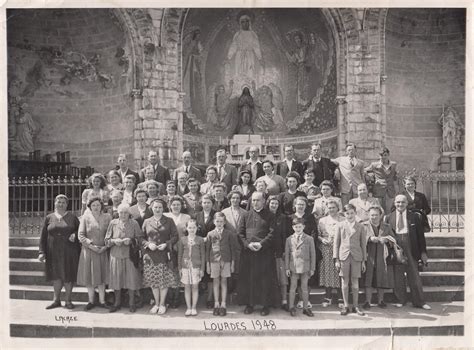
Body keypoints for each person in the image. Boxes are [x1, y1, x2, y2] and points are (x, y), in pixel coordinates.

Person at [237, 192, 280, 316]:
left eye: (258, 200)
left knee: (264, 280)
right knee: (249, 279)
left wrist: (261, 244)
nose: (255, 203)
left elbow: (272, 233)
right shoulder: (245, 215)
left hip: (264, 253)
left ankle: (265, 305)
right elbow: (240, 233)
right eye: (253, 200)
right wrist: (247, 245)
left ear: (263, 201)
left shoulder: (270, 216)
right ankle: (249, 304)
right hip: (248, 253)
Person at [385, 195, 431, 310]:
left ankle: (419, 301)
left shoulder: (414, 216)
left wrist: (423, 252)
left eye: (403, 202)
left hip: (411, 245)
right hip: (396, 246)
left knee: (414, 274)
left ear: (407, 204)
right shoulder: (388, 217)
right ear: (394, 203)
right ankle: (401, 299)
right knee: (398, 275)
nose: (400, 204)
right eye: (398, 202)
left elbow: (421, 236)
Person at [38, 194, 81, 309]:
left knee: (68, 275)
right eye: (59, 202)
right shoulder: (49, 217)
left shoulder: (72, 217)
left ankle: (68, 300)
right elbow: (43, 236)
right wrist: (41, 252)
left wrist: (75, 234)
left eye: (63, 202)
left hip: (69, 251)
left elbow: (81, 232)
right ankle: (56, 300)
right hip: (53, 251)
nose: (61, 204)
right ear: (55, 203)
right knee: (56, 276)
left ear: (67, 204)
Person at [142, 199, 179, 315]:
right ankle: (156, 303)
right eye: (155, 207)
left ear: (163, 209)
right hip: (151, 256)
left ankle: (162, 304)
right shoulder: (147, 221)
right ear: (151, 209)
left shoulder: (169, 220)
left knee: (163, 281)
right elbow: (140, 238)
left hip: (164, 255)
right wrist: (148, 244)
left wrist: (166, 244)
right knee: (153, 281)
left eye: (160, 207)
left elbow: (175, 236)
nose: (157, 209)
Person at [105, 203, 143, 313]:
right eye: (121, 212)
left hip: (130, 255)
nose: (123, 215)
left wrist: (131, 241)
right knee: (116, 279)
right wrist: (113, 241)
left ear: (129, 213)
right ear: (118, 213)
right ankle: (117, 303)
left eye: (125, 212)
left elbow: (140, 239)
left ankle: (131, 303)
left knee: (131, 279)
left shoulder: (134, 223)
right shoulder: (113, 223)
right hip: (116, 255)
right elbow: (106, 240)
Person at [77, 197, 112, 310]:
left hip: (103, 250)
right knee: (90, 276)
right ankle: (91, 301)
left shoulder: (107, 217)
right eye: (93, 205)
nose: (96, 207)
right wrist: (91, 246)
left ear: (101, 206)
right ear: (90, 207)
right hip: (89, 251)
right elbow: (81, 235)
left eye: (98, 205)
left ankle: (102, 301)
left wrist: (105, 247)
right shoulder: (85, 218)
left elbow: (111, 233)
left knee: (102, 276)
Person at [333, 203, 367, 316]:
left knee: (355, 281)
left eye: (352, 213)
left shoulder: (361, 226)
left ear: (355, 213)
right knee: (345, 281)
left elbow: (363, 244)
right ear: (344, 214)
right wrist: (336, 259)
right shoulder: (340, 225)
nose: (350, 215)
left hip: (357, 256)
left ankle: (356, 306)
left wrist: (363, 261)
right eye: (347, 213)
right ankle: (346, 305)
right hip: (344, 256)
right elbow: (336, 243)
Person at [362, 206, 395, 309]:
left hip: (381, 256)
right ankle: (368, 301)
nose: (374, 217)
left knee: (381, 277)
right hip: (368, 255)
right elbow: (358, 239)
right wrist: (369, 238)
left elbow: (393, 239)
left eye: (376, 215)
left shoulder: (386, 226)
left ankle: (381, 300)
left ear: (381, 216)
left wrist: (387, 240)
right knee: (368, 278)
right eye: (372, 215)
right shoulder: (363, 226)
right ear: (368, 215)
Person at [206, 212, 238, 316]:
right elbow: (208, 250)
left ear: (224, 222)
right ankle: (216, 304)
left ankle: (223, 305)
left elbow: (233, 250)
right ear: (214, 222)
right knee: (215, 281)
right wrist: (207, 264)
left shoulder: (229, 234)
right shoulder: (210, 234)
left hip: (226, 260)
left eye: (221, 221)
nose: (219, 223)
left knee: (224, 281)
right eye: (217, 221)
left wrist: (232, 263)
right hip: (214, 260)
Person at [285, 217, 316, 317]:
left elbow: (313, 254)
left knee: (304, 288)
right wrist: (287, 268)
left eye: (300, 227)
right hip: (293, 266)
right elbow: (287, 254)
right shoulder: (289, 239)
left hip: (305, 266)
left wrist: (312, 268)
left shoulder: (309, 239)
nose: (298, 229)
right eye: (296, 227)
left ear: (304, 227)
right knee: (293, 287)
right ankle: (291, 307)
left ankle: (305, 308)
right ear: (293, 227)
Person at [317, 199, 344, 307]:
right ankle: (327, 297)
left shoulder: (343, 219)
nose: (331, 209)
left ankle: (341, 297)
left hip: (340, 248)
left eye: (333, 207)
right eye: (329, 207)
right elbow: (318, 234)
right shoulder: (322, 220)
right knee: (327, 272)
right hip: (326, 248)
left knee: (339, 271)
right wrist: (322, 239)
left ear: (338, 208)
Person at [266, 195, 291, 311]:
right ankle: (270, 300)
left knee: (282, 278)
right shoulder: (264, 216)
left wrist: (285, 250)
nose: (274, 205)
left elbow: (285, 235)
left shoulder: (283, 218)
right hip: (266, 251)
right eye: (272, 203)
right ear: (268, 204)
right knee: (270, 277)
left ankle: (284, 301)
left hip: (279, 251)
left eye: (276, 203)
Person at [178, 219, 206, 316]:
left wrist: (202, 269)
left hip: (196, 267)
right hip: (185, 267)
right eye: (190, 227)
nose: (192, 229)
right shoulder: (182, 239)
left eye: (194, 227)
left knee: (195, 286)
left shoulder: (200, 240)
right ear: (186, 228)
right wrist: (180, 268)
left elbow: (203, 255)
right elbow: (180, 254)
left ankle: (194, 307)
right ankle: (188, 307)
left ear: (197, 228)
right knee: (187, 287)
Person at [195, 194, 217, 308]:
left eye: (208, 202)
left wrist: (208, 238)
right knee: (199, 271)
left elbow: (219, 230)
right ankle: (196, 298)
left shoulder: (216, 215)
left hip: (213, 247)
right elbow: (192, 231)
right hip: (199, 248)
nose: (206, 204)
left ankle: (209, 299)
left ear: (212, 203)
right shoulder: (196, 215)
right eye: (204, 202)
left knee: (210, 274)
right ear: (201, 203)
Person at [364, 147, 398, 214]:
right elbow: (365, 170)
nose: (383, 157)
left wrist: (397, 189)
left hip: (390, 191)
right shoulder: (374, 165)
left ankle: (387, 223)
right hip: (378, 191)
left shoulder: (393, 165)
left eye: (385, 155)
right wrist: (370, 177)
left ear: (388, 155)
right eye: (381, 155)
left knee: (389, 210)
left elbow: (395, 177)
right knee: (379, 210)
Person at [221, 191, 246, 280]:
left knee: (239, 266)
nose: (235, 200)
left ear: (240, 200)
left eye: (237, 198)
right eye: (233, 198)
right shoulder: (224, 212)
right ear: (229, 200)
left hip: (240, 243)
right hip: (228, 242)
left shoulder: (245, 212)